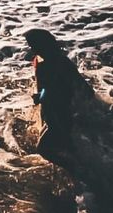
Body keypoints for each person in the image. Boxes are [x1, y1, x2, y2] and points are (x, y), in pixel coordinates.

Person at [24, 29, 92, 161]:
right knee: (61, 145)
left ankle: (76, 169)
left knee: (44, 149)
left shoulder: (56, 63)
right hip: (52, 110)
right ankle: (77, 167)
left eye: (33, 46)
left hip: (60, 111)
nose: (32, 49)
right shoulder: (43, 60)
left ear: (43, 45)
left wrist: (40, 96)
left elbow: (82, 87)